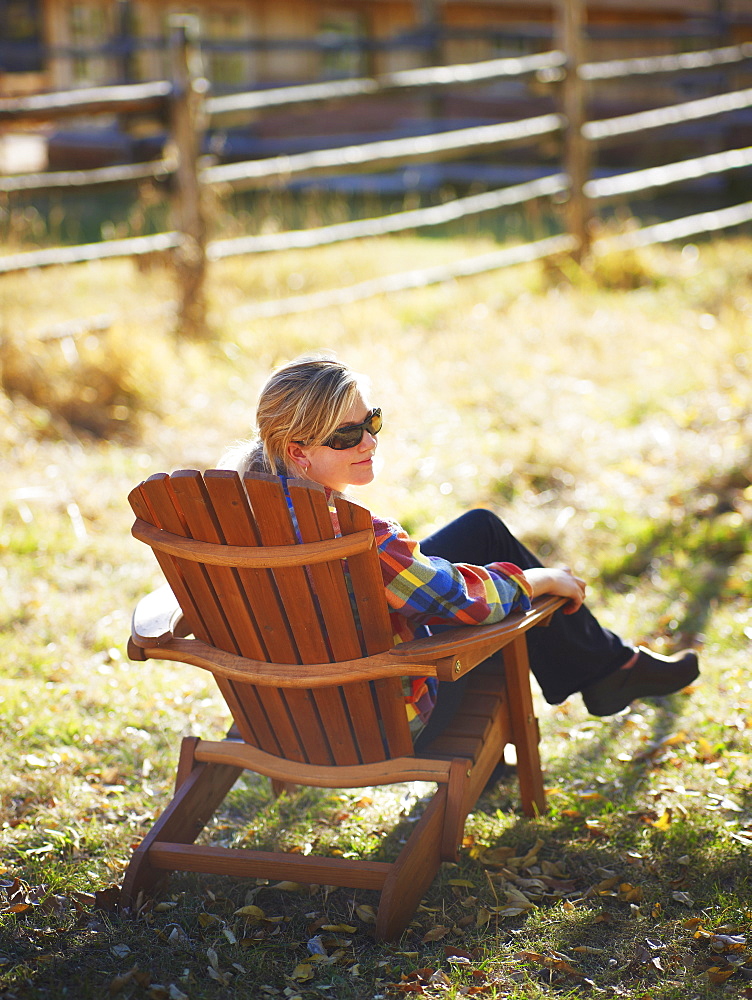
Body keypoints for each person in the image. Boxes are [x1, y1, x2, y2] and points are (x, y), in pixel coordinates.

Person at [219, 355, 699, 747]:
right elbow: (462, 602)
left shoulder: (229, 514)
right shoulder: (359, 538)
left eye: (372, 421)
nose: (369, 441)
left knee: (480, 529)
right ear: (298, 451)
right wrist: (545, 580)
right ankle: (607, 671)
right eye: (346, 435)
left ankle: (608, 669)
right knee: (492, 607)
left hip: (277, 710)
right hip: (376, 722)